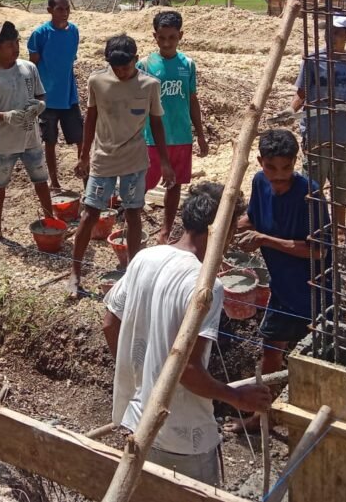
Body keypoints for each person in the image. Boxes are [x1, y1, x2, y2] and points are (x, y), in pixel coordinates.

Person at [103, 191, 272, 485]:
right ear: (222, 230)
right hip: (182, 434)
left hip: (138, 419)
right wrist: (236, 397)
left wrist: (141, 376)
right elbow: (189, 370)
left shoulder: (145, 257)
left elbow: (109, 325)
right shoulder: (206, 287)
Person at [69, 35, 174, 296]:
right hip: (103, 159)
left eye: (126, 67)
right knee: (90, 213)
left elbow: (157, 124)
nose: (121, 72)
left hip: (134, 161)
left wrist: (164, 162)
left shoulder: (150, 85)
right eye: (116, 68)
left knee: (133, 213)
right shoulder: (97, 81)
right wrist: (83, 156)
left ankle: (133, 273)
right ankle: (75, 272)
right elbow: (91, 118)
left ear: (136, 60)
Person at [239, 129, 332, 377]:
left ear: (295, 162)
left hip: (312, 294)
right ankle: (262, 412)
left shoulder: (309, 195)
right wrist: (226, 228)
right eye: (271, 167)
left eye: (286, 168)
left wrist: (265, 240)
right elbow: (253, 217)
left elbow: (318, 251)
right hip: (282, 288)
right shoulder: (260, 182)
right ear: (260, 162)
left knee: (313, 361)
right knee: (271, 348)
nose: (279, 176)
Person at [0, 21, 54, 247]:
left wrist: (39, 106)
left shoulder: (28, 69)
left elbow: (41, 95)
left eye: (17, 42)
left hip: (31, 138)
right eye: (10, 44)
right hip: (4, 143)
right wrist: (5, 116)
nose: (15, 47)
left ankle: (51, 219)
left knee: (41, 181)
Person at [138, 10, 209, 243]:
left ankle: (165, 229)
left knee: (174, 184)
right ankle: (134, 222)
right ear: (154, 36)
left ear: (180, 36)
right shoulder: (145, 65)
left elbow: (192, 99)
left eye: (172, 37)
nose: (167, 42)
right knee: (142, 183)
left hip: (180, 136)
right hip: (151, 138)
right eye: (162, 37)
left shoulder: (187, 64)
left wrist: (200, 134)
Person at [292, 14, 346, 233]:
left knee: (340, 185)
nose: (332, 36)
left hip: (342, 134)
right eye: (329, 32)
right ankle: (313, 228)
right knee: (313, 184)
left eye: (338, 33)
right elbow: (302, 92)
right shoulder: (313, 60)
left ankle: (339, 228)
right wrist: (290, 112)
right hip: (317, 132)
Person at [28, 0, 83, 191]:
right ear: (50, 10)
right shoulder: (40, 35)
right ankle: (54, 181)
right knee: (50, 141)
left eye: (67, 8)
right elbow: (33, 67)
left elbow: (70, 61)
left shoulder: (74, 31)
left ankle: (85, 176)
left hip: (69, 96)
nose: (64, 12)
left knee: (80, 138)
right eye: (60, 9)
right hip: (47, 98)